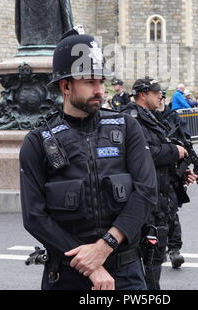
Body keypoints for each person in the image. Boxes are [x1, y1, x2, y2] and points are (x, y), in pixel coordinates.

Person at [19, 29, 157, 291]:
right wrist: (90, 264)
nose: (99, 90)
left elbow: (146, 192)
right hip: (66, 275)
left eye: (101, 81)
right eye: (90, 82)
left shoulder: (127, 128)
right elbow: (35, 216)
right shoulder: (37, 141)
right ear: (66, 85)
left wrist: (105, 246)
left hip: (125, 274)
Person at [123, 78, 197, 289]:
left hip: (161, 197)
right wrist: (173, 151)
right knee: (148, 258)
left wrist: (180, 174)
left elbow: (159, 160)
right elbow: (145, 154)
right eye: (156, 92)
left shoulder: (152, 118)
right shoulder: (132, 118)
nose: (161, 96)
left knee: (155, 257)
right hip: (146, 200)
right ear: (142, 94)